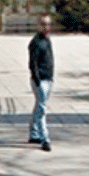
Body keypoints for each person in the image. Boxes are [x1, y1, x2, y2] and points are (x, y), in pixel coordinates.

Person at [27, 14, 55, 151]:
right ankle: (45, 139)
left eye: (48, 24)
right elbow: (33, 64)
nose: (46, 27)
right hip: (40, 81)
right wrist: (37, 80)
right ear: (38, 25)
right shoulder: (36, 42)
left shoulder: (48, 40)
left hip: (48, 79)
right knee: (42, 109)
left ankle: (33, 133)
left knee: (38, 107)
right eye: (43, 24)